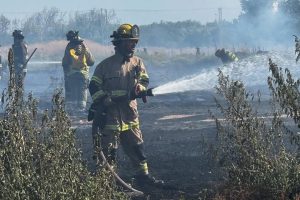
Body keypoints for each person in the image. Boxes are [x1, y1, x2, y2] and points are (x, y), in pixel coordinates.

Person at [89, 23, 164, 188]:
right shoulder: (105, 66)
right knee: (109, 153)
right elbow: (93, 86)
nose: (133, 45)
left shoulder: (138, 62)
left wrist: (141, 87)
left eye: (134, 42)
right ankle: (106, 182)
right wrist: (104, 100)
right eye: (129, 42)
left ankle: (143, 177)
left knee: (137, 148)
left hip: (130, 116)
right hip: (110, 118)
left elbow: (144, 79)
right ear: (119, 43)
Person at [62, 30, 95, 112]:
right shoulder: (84, 47)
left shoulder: (69, 48)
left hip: (71, 75)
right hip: (83, 75)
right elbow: (91, 62)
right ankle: (81, 110)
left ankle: (73, 110)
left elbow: (65, 62)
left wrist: (66, 73)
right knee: (83, 92)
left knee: (73, 91)